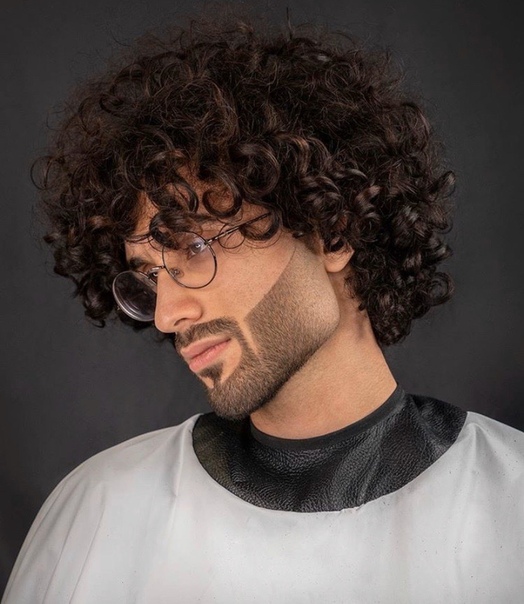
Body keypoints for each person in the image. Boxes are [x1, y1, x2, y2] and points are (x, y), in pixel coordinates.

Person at [3, 16, 523, 604]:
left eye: (193, 246)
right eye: (148, 276)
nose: (168, 315)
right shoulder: (99, 511)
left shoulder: (510, 508)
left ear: (331, 233)